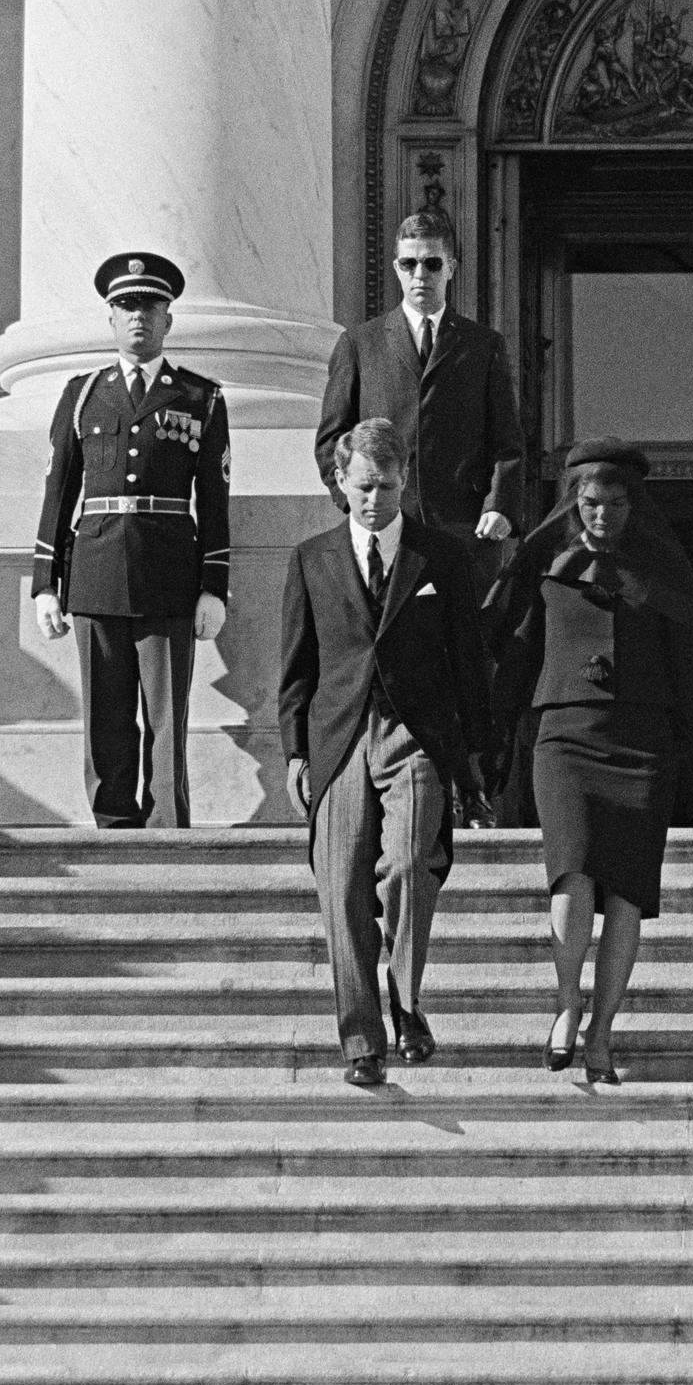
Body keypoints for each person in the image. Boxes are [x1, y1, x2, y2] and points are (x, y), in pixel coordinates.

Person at [487, 440, 693, 1085]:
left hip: (642, 740)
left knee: (628, 894)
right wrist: (491, 742)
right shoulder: (542, 560)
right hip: (563, 735)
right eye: (590, 504)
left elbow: (688, 664)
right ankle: (566, 1002)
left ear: (633, 504)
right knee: (572, 871)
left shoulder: (664, 568)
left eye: (615, 504)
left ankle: (604, 1034)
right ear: (574, 503)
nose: (602, 516)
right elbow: (510, 651)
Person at [280, 419, 491, 1088]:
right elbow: (295, 666)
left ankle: (406, 1001)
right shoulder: (311, 558)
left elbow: (470, 662)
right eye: (365, 487)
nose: (377, 500)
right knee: (341, 885)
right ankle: (360, 1040)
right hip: (338, 735)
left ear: (405, 482)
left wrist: (477, 757)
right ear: (341, 483)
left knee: (406, 865)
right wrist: (294, 752)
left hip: (416, 735)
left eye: (390, 486)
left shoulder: (442, 556)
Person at [32, 251, 230, 828]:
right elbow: (58, 492)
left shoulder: (200, 397)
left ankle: (169, 832)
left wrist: (213, 587)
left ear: (168, 319)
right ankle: (112, 828)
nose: (137, 316)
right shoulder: (81, 395)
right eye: (125, 306)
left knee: (166, 721)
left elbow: (214, 501)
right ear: (110, 321)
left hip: (169, 575)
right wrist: (47, 583)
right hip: (93, 572)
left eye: (149, 306)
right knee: (105, 719)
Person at [316, 211, 525, 592]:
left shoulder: (483, 345)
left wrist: (500, 506)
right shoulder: (360, 344)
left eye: (431, 264)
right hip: (389, 532)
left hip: (466, 533)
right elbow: (332, 439)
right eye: (409, 264)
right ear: (397, 268)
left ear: (451, 268)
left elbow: (507, 442)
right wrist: (357, 503)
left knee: (463, 646)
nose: (419, 275)